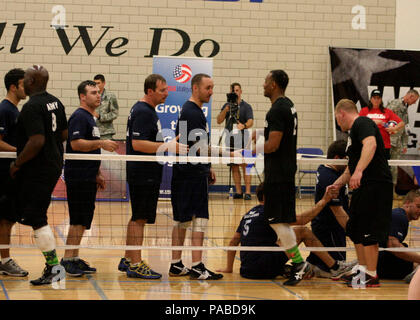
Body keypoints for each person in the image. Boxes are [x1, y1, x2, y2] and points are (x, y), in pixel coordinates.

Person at [118, 74, 188, 279]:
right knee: (139, 217)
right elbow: (138, 145)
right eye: (162, 90)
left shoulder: (146, 110)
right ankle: (136, 263)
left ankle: (128, 258)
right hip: (142, 173)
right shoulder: (143, 111)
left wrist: (169, 143)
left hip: (145, 173)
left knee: (137, 217)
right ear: (150, 91)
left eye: (167, 89)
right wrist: (167, 146)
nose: (167, 93)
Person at [216, 183, 353, 280]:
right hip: (262, 268)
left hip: (246, 270)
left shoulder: (249, 213)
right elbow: (303, 219)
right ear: (267, 197)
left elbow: (233, 241)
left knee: (283, 236)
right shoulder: (270, 212)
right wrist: (324, 201)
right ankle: (335, 267)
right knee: (301, 231)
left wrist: (229, 267)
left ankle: (286, 268)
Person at [252, 69, 311, 286]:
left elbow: (274, 145)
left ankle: (298, 262)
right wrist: (260, 134)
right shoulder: (289, 105)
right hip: (284, 171)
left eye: (266, 81)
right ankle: (297, 262)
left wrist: (254, 148)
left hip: (278, 174)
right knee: (281, 221)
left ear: (274, 84)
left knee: (276, 221)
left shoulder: (276, 110)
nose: (263, 84)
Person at [11, 65, 68, 285]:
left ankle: (55, 269)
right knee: (36, 216)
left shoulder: (32, 107)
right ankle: (54, 268)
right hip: (53, 163)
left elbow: (37, 141)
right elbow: (63, 133)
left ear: (32, 82)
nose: (23, 82)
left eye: (25, 78)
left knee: (37, 217)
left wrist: (17, 163)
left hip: (38, 168)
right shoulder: (55, 101)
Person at [332, 98, 393, 288]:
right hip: (361, 186)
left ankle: (372, 275)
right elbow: (351, 167)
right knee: (355, 228)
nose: (337, 122)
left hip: (376, 185)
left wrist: (359, 171)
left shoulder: (362, 122)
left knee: (368, 230)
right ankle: (362, 270)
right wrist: (337, 183)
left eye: (337, 118)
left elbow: (371, 145)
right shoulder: (352, 134)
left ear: (342, 113)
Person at [61, 80, 118, 277]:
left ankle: (74, 257)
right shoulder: (79, 117)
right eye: (93, 92)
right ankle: (68, 259)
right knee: (78, 219)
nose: (98, 95)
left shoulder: (90, 118)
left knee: (84, 219)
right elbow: (76, 144)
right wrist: (102, 142)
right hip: (78, 178)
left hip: (87, 176)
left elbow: (90, 148)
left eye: (98, 92)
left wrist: (97, 173)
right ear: (82, 97)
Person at [169, 73, 223, 280]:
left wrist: (207, 165)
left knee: (182, 219)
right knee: (199, 218)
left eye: (212, 87)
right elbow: (199, 148)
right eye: (208, 88)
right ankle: (198, 266)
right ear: (195, 88)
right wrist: (228, 153)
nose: (211, 92)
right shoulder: (192, 112)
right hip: (191, 175)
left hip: (187, 172)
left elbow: (191, 146)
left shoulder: (190, 110)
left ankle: (175, 264)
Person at [306, 140, 351, 277]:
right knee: (337, 268)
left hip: (327, 226)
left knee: (323, 260)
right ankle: (320, 269)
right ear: (337, 158)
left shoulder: (325, 169)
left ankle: (312, 266)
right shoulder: (329, 177)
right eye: (346, 160)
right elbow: (337, 211)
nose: (348, 164)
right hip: (330, 227)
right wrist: (353, 231)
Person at [0, 68, 28, 277]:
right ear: (13, 87)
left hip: (13, 173)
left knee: (8, 218)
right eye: (23, 83)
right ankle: (4, 260)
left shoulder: (15, 110)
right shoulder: (5, 110)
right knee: (5, 219)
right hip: (3, 173)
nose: (26, 87)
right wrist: (21, 151)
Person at [216, 82, 254, 200]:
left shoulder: (246, 106)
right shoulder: (227, 106)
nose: (235, 93)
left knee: (246, 165)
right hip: (230, 140)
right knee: (234, 167)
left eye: (237, 90)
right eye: (233, 91)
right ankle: (238, 191)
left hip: (244, 140)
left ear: (240, 91)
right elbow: (219, 120)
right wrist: (225, 110)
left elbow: (250, 121)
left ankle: (248, 192)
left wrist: (244, 126)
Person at [377, 189, 420, 283]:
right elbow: (393, 247)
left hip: (379, 259)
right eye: (418, 206)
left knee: (404, 247)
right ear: (407, 203)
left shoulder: (400, 215)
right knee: (402, 249)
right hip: (380, 263)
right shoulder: (399, 216)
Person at [359, 89, 404, 160]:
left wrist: (394, 128)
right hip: (367, 145)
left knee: (383, 169)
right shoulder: (364, 111)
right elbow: (359, 124)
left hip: (384, 145)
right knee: (368, 168)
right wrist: (374, 122)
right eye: (374, 98)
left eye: (378, 98)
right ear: (370, 99)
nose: (376, 100)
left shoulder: (387, 111)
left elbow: (401, 123)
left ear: (381, 100)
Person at [386, 89, 420, 185]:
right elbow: (385, 118)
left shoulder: (405, 107)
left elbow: (405, 127)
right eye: (415, 100)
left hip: (397, 143)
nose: (414, 103)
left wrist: (404, 144)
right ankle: (388, 189)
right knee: (388, 166)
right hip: (389, 141)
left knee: (394, 166)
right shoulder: (395, 104)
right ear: (410, 96)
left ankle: (392, 189)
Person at [93, 74, 119, 140]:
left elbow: (115, 113)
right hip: (92, 131)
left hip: (105, 133)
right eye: (95, 83)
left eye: (98, 83)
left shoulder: (110, 96)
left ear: (104, 83)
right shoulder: (91, 95)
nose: (96, 85)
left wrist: (100, 117)